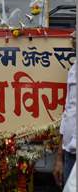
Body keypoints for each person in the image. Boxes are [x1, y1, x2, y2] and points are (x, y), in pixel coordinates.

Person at [53, 32, 76, 188]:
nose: (72, 35)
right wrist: (60, 157)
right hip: (71, 153)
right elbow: (70, 112)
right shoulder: (74, 68)